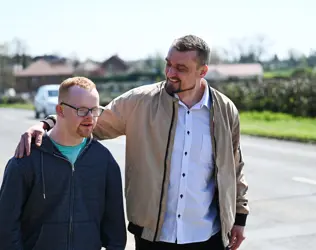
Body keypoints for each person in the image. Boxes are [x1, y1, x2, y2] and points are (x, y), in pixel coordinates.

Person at [15, 35, 249, 250]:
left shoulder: (225, 110)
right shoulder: (140, 102)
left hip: (208, 237)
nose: (170, 73)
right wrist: (47, 123)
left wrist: (239, 218)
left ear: (202, 71)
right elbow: (91, 121)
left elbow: (235, 167)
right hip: (153, 237)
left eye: (181, 68)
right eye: (168, 64)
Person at [0, 77, 127, 250]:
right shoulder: (26, 158)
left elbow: (116, 233)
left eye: (94, 110)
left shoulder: (104, 161)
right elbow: (6, 227)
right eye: (82, 110)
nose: (90, 118)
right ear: (60, 110)